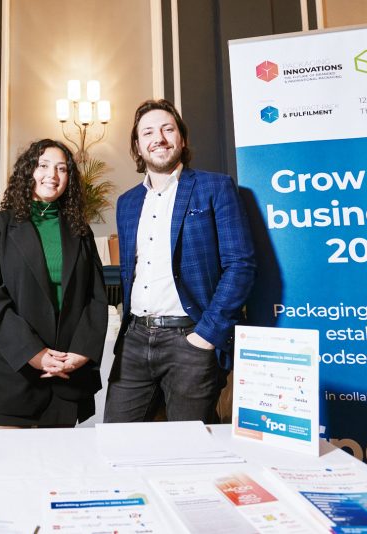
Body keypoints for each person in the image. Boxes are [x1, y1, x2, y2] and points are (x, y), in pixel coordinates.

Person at [103, 99, 256, 424]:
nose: (158, 138)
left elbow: (240, 265)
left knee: (191, 446)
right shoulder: (127, 203)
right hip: (134, 340)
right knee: (117, 440)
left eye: (167, 129)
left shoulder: (215, 187)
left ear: (182, 139)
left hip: (191, 338)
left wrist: (206, 335)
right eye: (148, 132)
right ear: (137, 146)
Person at [0, 139, 108, 428]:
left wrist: (82, 352)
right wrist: (33, 354)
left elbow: (95, 297)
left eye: (62, 168)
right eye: (43, 166)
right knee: (5, 458)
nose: (53, 175)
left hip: (66, 371)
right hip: (15, 370)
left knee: (59, 458)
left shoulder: (80, 230)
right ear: (28, 171)